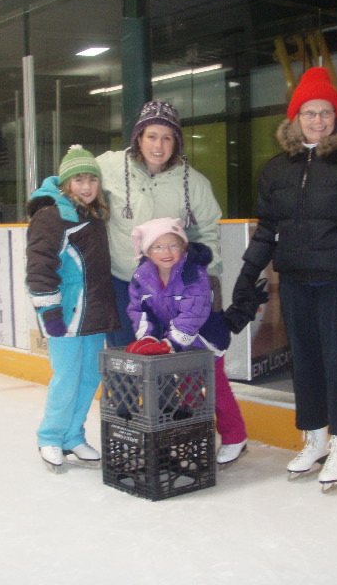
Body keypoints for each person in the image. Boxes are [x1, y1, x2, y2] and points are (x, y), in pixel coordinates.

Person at [224, 67, 337, 492]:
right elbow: (268, 229)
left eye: (326, 112)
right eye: (309, 112)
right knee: (304, 361)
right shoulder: (277, 170)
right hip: (295, 279)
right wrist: (247, 274)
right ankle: (315, 439)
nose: (318, 120)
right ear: (295, 118)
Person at [97, 100, 223, 348]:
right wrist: (44, 202)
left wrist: (209, 277)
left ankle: (161, 389)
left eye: (167, 138)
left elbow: (206, 232)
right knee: (124, 356)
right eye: (152, 136)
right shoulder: (110, 166)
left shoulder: (194, 183)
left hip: (167, 287)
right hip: (119, 280)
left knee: (161, 357)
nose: (158, 145)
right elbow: (72, 181)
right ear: (139, 138)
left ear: (176, 142)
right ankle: (123, 389)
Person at [25, 144, 120, 473]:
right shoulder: (52, 215)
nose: (86, 187)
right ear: (66, 183)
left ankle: (73, 435)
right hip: (66, 313)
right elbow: (39, 267)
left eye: (91, 180)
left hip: (94, 312)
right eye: (78, 180)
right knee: (66, 377)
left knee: (90, 376)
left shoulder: (91, 214)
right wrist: (49, 311)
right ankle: (50, 435)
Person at [125, 217, 248, 466]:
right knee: (190, 392)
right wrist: (147, 337)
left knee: (215, 389)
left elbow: (194, 314)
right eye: (158, 247)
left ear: (183, 246)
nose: (166, 252)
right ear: (147, 251)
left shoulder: (195, 274)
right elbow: (139, 310)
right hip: (174, 344)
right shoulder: (141, 276)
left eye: (173, 245)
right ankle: (198, 438)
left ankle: (235, 437)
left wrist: (171, 343)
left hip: (205, 341)